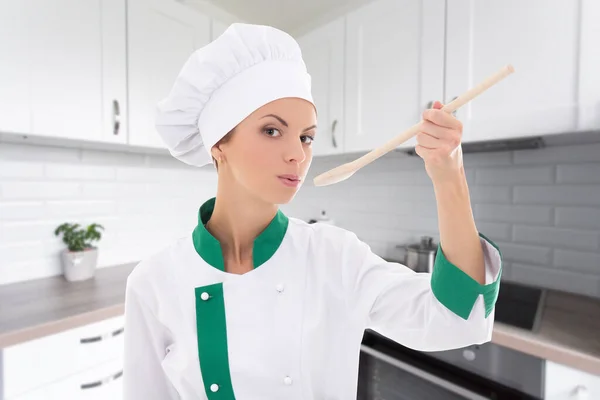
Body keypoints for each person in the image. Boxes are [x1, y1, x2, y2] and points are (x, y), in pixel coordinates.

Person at [122, 22, 502, 400]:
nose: (298, 154)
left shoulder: (334, 257)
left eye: (306, 137)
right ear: (218, 144)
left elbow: (456, 319)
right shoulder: (155, 281)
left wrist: (448, 175)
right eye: (272, 131)